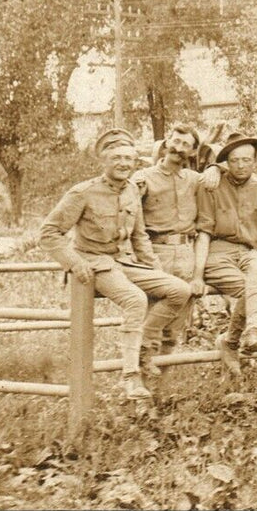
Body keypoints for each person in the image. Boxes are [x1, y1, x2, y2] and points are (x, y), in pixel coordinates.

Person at [39, 128, 192, 400]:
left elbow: (139, 235)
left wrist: (154, 269)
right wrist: (73, 262)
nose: (123, 164)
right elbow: (49, 232)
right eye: (117, 158)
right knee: (135, 299)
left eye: (129, 159)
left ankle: (144, 347)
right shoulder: (83, 192)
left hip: (125, 261)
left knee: (180, 290)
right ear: (104, 161)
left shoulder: (133, 189)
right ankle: (131, 377)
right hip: (95, 263)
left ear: (135, 162)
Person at [192, 132, 257, 373]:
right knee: (249, 289)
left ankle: (249, 333)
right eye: (235, 160)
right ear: (226, 162)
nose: (241, 166)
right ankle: (233, 340)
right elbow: (204, 233)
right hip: (217, 252)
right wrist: (198, 275)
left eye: (247, 160)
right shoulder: (212, 185)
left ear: (255, 161)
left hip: (249, 252)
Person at [130, 123, 222, 372]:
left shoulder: (194, 180)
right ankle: (137, 382)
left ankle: (161, 389)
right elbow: (127, 213)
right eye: (176, 141)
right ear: (166, 143)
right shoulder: (143, 178)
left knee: (174, 328)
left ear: (192, 153)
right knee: (151, 319)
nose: (178, 148)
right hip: (155, 253)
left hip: (186, 254)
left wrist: (214, 167)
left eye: (186, 145)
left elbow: (223, 167)